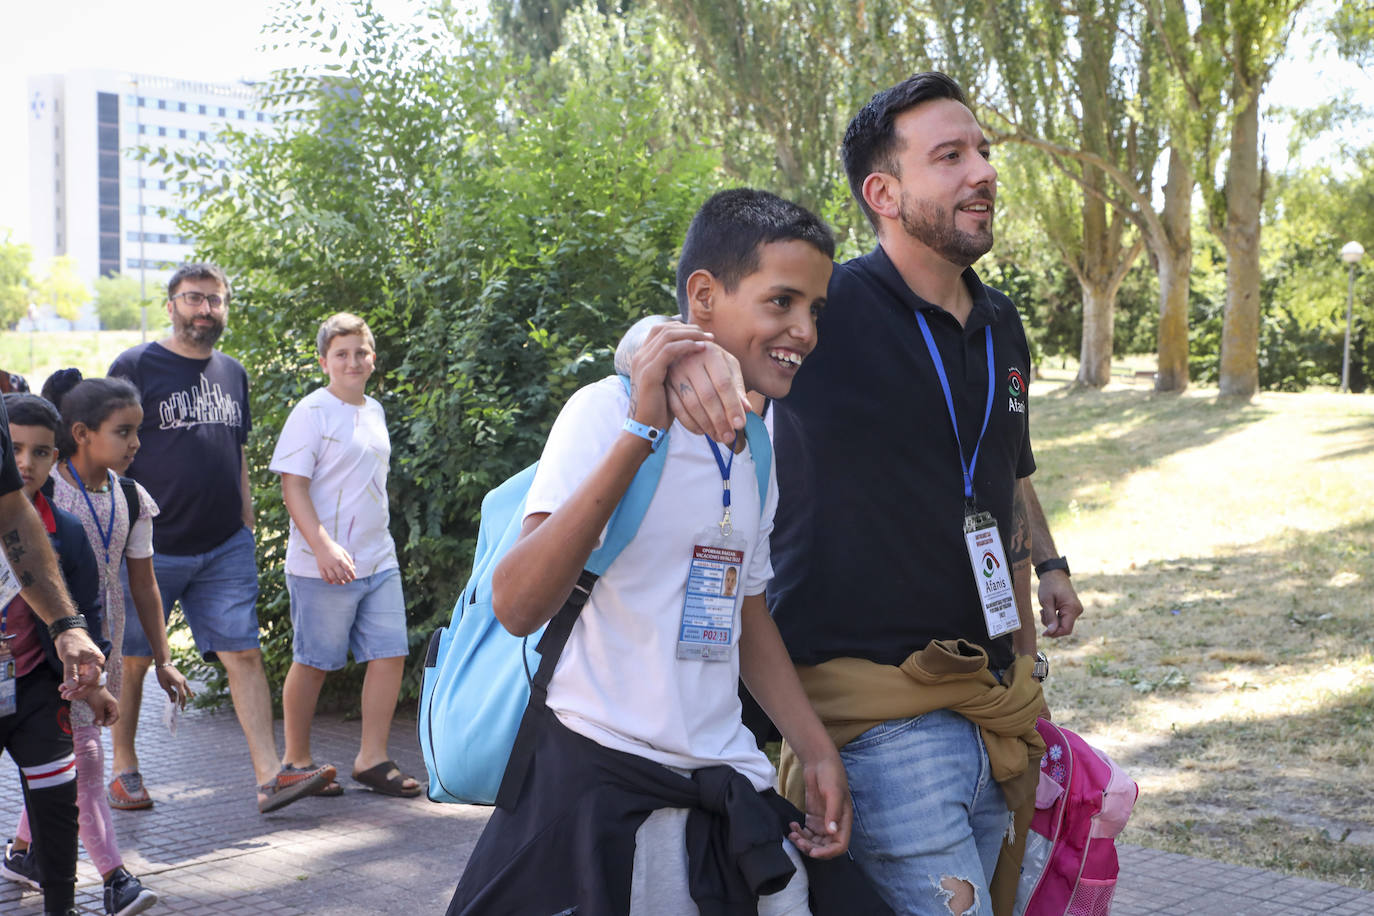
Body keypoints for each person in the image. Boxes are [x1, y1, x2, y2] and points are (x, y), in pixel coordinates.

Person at [654, 74, 1082, 915]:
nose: (983, 172)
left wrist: (1046, 586)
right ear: (882, 192)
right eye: (950, 156)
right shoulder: (827, 309)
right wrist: (670, 355)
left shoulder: (1002, 322)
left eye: (985, 152)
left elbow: (1009, 466)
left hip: (995, 699)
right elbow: (701, 330)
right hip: (878, 714)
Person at [449, 189, 876, 916]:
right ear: (704, 297)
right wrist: (641, 432)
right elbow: (517, 604)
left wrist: (815, 748)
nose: (803, 330)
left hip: (723, 781)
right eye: (781, 303)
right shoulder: (604, 412)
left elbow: (746, 613)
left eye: (815, 310)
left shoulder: (758, 447)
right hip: (596, 788)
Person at [108, 263, 334, 813]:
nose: (205, 309)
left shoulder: (232, 372)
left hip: (224, 543)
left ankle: (269, 777)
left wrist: (247, 519)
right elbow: (108, 445)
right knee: (133, 658)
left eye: (215, 300)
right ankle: (123, 770)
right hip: (149, 543)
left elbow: (236, 451)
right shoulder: (135, 365)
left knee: (244, 653)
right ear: (170, 305)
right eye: (193, 299)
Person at [10, 377, 197, 914]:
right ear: (82, 435)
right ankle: (116, 880)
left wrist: (162, 658)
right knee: (88, 763)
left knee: (60, 765)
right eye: (124, 432)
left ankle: (23, 854)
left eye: (138, 431)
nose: (136, 443)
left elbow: (144, 582)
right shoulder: (41, 495)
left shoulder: (132, 496)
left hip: (102, 642)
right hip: (51, 649)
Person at [268, 313, 420, 798]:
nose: (353, 361)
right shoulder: (311, 412)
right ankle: (296, 762)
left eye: (361, 352)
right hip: (322, 564)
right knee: (315, 661)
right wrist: (323, 546)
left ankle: (371, 759)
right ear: (324, 361)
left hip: (378, 559)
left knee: (390, 651)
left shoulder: (373, 410)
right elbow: (293, 488)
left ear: (373, 358)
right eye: (342, 353)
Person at [0, 393, 109, 916]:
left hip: (37, 687)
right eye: (13, 449)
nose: (24, 463)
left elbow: (85, 609)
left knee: (58, 805)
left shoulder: (63, 531)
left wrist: (95, 675)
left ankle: (61, 907)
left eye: (39, 452)